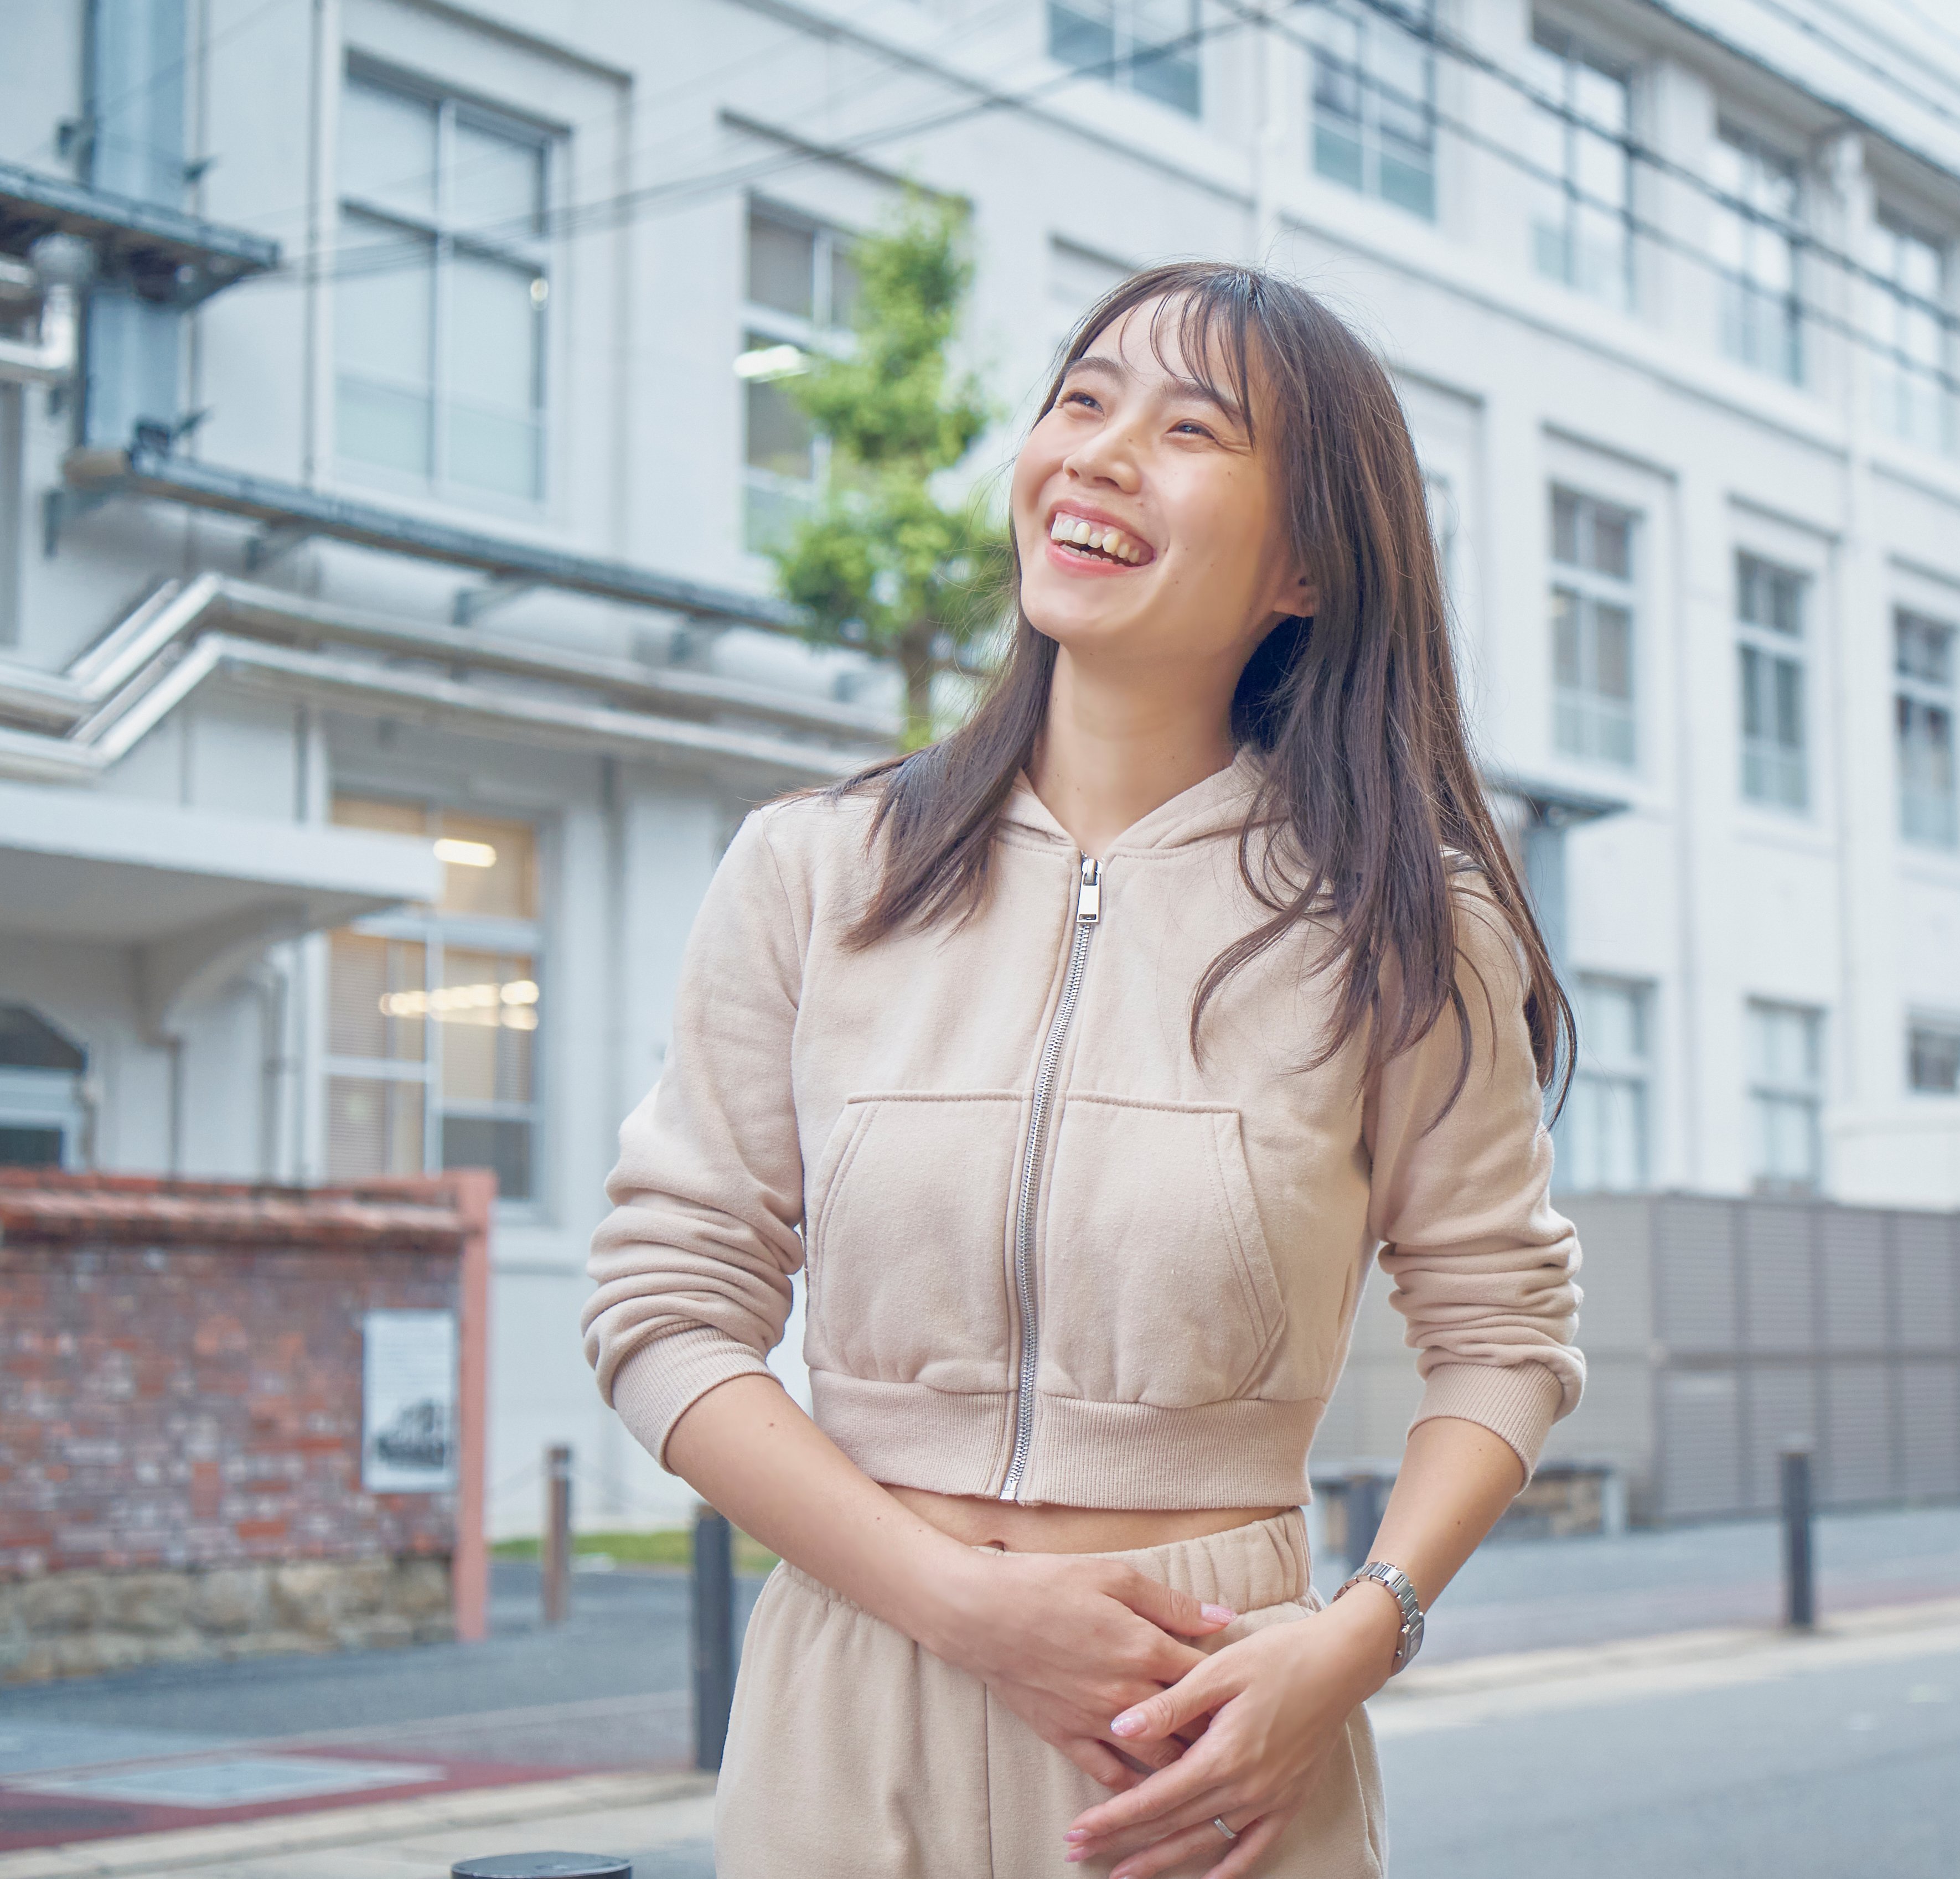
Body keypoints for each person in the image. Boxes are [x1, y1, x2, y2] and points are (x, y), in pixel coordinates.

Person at [581, 262, 1585, 1878]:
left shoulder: (1398, 924)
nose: (1100, 453)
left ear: (1310, 565)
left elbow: (1505, 1333)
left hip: (1202, 1739)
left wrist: (1354, 1634)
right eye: (1080, 400)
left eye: (1189, 428)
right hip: (846, 1716)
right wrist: (963, 1607)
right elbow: (661, 1305)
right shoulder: (816, 869)